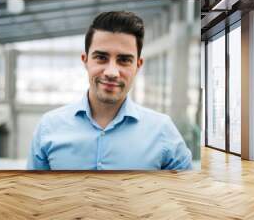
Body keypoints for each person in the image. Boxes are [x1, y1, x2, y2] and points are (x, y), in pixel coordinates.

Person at [27, 11, 192, 170]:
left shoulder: (162, 130)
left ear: (138, 65)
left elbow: (187, 194)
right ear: (85, 61)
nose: (111, 72)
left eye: (124, 60)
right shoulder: (48, 127)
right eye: (101, 58)